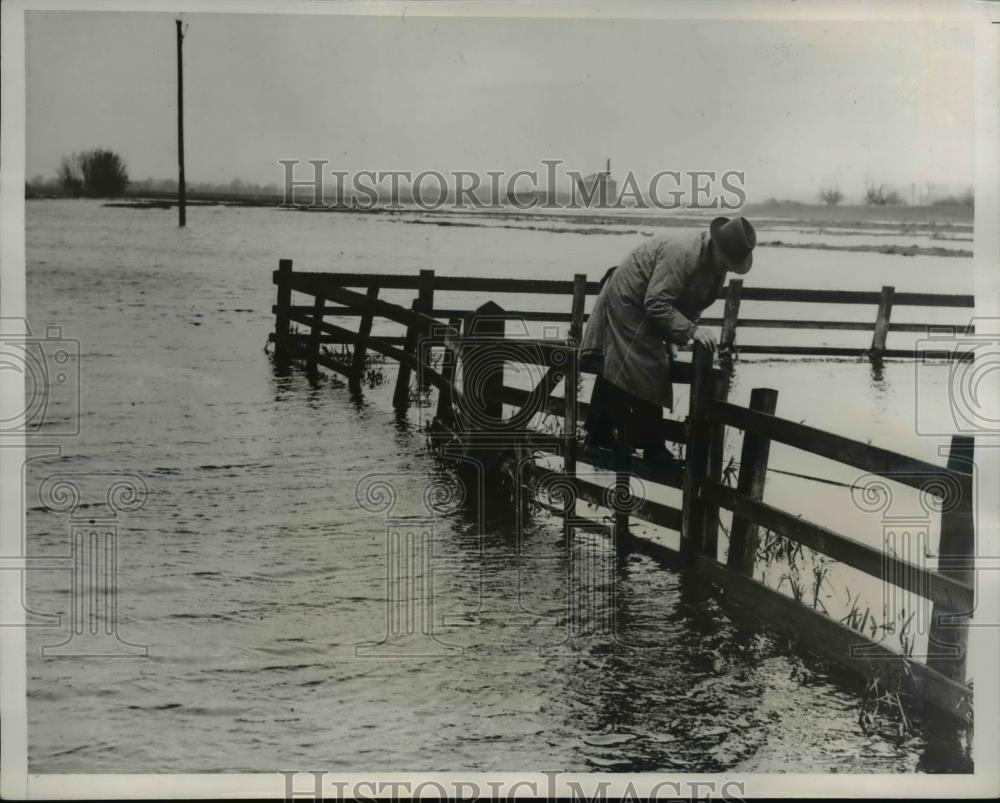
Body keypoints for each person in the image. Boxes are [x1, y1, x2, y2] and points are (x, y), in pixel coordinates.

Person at [579, 216, 756, 467]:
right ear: (716, 246)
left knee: (621, 362)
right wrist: (691, 332)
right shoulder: (681, 254)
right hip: (629, 298)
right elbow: (656, 302)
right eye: (727, 262)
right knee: (649, 366)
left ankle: (598, 433)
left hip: (648, 302)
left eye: (732, 265)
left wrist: (675, 336)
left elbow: (694, 304)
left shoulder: (714, 270)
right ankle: (653, 448)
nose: (727, 269)